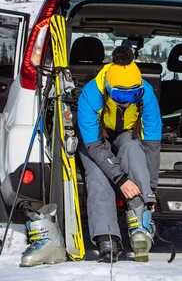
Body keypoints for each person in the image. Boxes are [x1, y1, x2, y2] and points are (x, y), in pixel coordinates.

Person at [76, 44, 162, 263]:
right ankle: (108, 238)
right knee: (98, 176)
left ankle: (140, 221)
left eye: (133, 94)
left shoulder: (147, 95)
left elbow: (152, 145)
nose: (126, 101)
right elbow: (95, 146)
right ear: (108, 88)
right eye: (120, 96)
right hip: (96, 139)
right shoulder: (90, 94)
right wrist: (121, 179)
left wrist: (150, 189)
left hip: (125, 133)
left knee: (134, 149)